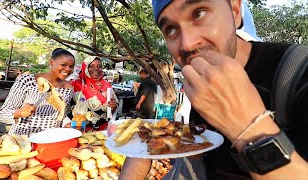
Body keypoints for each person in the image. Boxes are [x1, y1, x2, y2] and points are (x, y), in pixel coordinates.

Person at [119, 0, 308, 179]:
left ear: (234, 11)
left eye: (199, 13)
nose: (187, 44)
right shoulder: (200, 86)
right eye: (170, 29)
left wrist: (247, 127)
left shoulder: (299, 73)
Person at [0, 48, 75, 135]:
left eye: (71, 66)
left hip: (51, 139)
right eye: (64, 65)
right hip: (23, 139)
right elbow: (1, 115)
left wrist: (66, 123)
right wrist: (19, 113)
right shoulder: (27, 81)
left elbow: (62, 115)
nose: (68, 69)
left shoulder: (69, 88)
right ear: (51, 62)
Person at [71, 56, 118, 130]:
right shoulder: (75, 85)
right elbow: (66, 108)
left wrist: (113, 106)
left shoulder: (107, 85)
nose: (96, 69)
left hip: (103, 129)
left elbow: (114, 105)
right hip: (80, 129)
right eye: (92, 66)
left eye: (99, 66)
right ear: (85, 67)